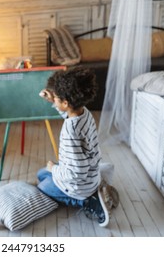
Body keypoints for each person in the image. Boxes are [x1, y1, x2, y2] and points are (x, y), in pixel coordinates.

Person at [37, 67, 118, 227]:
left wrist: (54, 168)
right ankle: (95, 188)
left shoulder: (70, 132)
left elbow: (75, 174)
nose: (55, 100)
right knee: (41, 173)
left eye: (57, 99)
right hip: (90, 174)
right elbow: (68, 112)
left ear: (66, 103)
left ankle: (90, 202)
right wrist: (54, 100)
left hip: (79, 185)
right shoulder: (84, 113)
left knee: (42, 185)